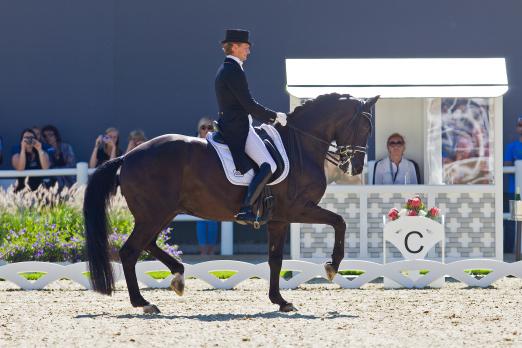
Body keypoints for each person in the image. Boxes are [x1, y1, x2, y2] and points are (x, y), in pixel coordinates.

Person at [215, 29, 287, 225]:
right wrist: (274, 116)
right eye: (246, 47)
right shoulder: (232, 70)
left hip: (237, 123)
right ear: (235, 47)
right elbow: (249, 105)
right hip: (238, 128)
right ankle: (246, 208)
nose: (248, 51)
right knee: (270, 165)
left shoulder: (229, 68)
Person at [195, 117, 219, 254]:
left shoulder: (217, 143)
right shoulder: (193, 144)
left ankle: (212, 253)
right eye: (203, 127)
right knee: (201, 220)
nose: (206, 130)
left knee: (213, 220)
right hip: (198, 188)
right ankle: (203, 254)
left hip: (214, 187)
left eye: (210, 127)